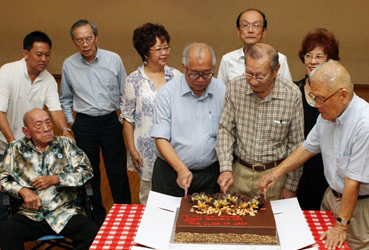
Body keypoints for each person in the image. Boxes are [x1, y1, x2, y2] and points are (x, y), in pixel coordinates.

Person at [259, 60, 369, 250]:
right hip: (333, 198)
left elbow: (353, 182)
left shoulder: (367, 126)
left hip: (365, 206)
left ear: (343, 95)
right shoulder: (327, 116)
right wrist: (276, 173)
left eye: (320, 99)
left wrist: (340, 226)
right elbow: (307, 147)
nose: (315, 105)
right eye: (313, 97)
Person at [0, 31, 73, 239]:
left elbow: (55, 108)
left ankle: (21, 221)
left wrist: (66, 130)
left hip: (29, 141)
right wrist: (14, 144)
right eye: (39, 54)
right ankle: (0, 225)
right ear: (26, 53)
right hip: (1, 141)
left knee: (25, 182)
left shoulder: (48, 79)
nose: (44, 60)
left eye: (48, 55)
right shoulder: (6, 73)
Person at [0, 109, 98, 250]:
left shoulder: (65, 145)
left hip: (65, 213)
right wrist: (21, 190)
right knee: (6, 230)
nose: (46, 128)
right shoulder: (16, 149)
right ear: (27, 132)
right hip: (30, 215)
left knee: (92, 232)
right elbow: (0, 180)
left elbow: (86, 171)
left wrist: (57, 179)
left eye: (48, 122)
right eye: (38, 125)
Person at [60, 19, 131, 224]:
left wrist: (121, 119)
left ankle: (124, 215)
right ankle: (95, 218)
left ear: (96, 38)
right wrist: (72, 123)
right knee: (89, 174)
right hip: (84, 124)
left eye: (88, 38)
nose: (85, 44)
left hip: (111, 121)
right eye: (79, 40)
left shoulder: (113, 59)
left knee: (117, 171)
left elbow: (124, 94)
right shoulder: (68, 64)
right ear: (74, 42)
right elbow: (65, 98)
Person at [216, 43, 304, 200]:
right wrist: (225, 168)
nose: (254, 81)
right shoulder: (235, 87)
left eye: (260, 76)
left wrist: (291, 186)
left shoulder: (292, 95)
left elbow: (296, 145)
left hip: (274, 177)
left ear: (275, 71)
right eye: (249, 74)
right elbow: (225, 130)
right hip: (239, 173)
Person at [150, 42, 226, 197]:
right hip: (171, 172)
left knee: (207, 219)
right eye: (194, 73)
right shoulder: (167, 93)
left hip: (209, 176)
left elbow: (228, 134)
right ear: (184, 67)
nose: (200, 79)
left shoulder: (222, 91)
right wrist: (181, 168)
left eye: (206, 73)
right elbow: (161, 138)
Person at [121, 23, 182, 204]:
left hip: (174, 145)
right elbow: (127, 118)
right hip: (146, 147)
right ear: (145, 53)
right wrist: (132, 149)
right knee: (148, 197)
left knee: (175, 192)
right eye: (158, 49)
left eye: (166, 47)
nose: (164, 52)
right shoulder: (134, 80)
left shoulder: (176, 76)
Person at [295, 28, 339, 210]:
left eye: (319, 56)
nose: (312, 61)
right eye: (308, 55)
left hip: (327, 168)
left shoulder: (338, 94)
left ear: (330, 60)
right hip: (298, 167)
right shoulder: (294, 91)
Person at [217, 8, 292, 85]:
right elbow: (221, 93)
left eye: (256, 25)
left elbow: (288, 91)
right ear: (238, 31)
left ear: (264, 31)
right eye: (245, 25)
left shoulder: (280, 59)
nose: (250, 30)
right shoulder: (227, 59)